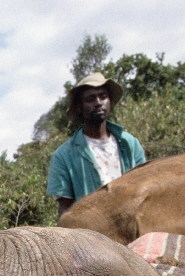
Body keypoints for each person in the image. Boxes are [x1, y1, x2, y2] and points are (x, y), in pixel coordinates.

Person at [46, 72, 146, 217]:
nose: (98, 102)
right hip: (91, 235)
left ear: (110, 101)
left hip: (132, 228)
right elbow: (65, 210)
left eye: (103, 96)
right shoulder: (63, 156)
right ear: (79, 107)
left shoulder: (130, 144)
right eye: (90, 99)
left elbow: (145, 191)